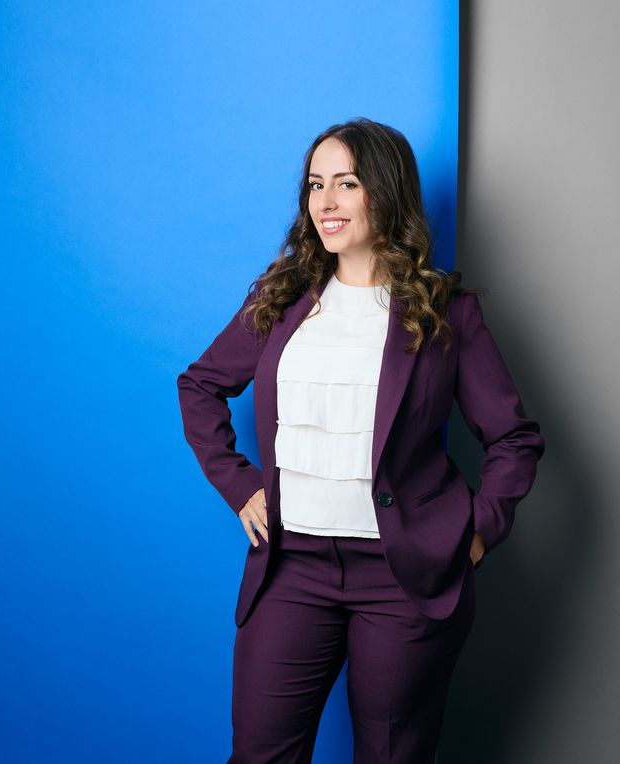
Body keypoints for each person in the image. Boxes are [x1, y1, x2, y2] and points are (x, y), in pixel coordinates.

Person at [177, 117, 545, 764]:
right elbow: (200, 385)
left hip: (405, 576)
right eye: (315, 184)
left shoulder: (446, 311)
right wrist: (240, 486)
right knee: (261, 753)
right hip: (291, 566)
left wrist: (480, 529)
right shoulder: (280, 298)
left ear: (387, 190)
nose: (325, 201)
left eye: (346, 183)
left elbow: (514, 437)